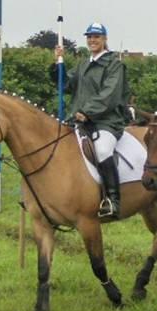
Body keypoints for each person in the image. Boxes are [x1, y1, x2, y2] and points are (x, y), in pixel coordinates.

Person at [51, 22, 130, 219]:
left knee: (103, 149)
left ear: (104, 39)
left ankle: (113, 200)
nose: (92, 40)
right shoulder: (84, 64)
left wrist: (87, 112)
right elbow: (67, 85)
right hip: (79, 120)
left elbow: (109, 94)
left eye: (96, 37)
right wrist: (57, 64)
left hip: (107, 122)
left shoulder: (115, 64)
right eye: (89, 37)